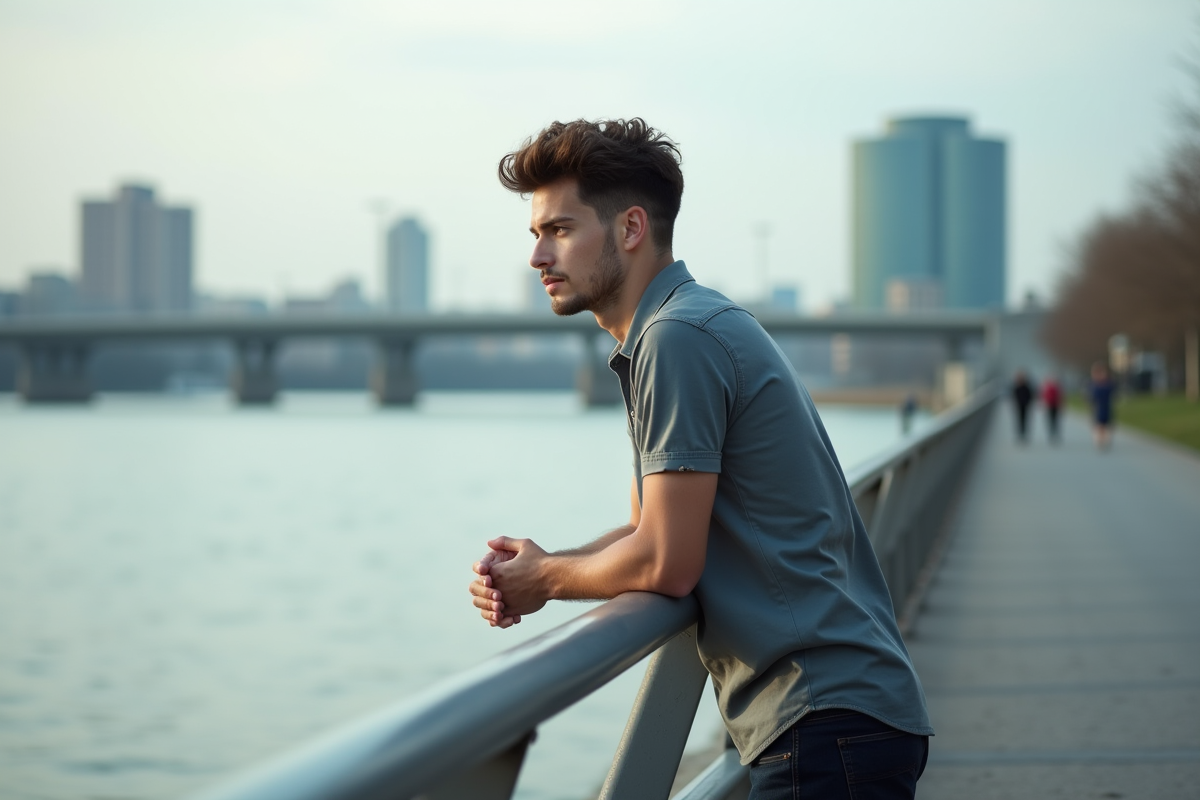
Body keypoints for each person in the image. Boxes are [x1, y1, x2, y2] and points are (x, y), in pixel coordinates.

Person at [467, 118, 931, 799]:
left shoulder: (676, 338)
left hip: (823, 722)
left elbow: (666, 562)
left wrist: (548, 583)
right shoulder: (684, 323)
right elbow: (648, 532)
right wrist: (536, 565)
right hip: (838, 717)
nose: (538, 256)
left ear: (630, 228)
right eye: (535, 234)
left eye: (559, 230)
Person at [1089, 362, 1116, 450]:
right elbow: (1091, 397)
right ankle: (1100, 440)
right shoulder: (1094, 385)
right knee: (1099, 425)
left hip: (1107, 406)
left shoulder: (1108, 384)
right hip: (1098, 407)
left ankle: (1105, 439)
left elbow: (1113, 393)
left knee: (1106, 425)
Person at [1010, 370, 1035, 443]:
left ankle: (1024, 433)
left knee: (1025, 419)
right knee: (1019, 420)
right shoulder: (1016, 387)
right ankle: (1020, 433)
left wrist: (1028, 402)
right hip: (1019, 405)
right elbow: (1014, 396)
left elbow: (1030, 395)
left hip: (1025, 405)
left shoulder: (1026, 387)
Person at [1041, 374, 1063, 443]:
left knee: (1055, 420)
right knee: (1050, 420)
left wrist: (1061, 405)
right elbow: (1044, 396)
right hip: (1049, 406)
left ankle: (1055, 433)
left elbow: (1060, 397)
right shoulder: (1048, 388)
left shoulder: (1057, 388)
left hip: (1056, 405)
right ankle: (1051, 433)